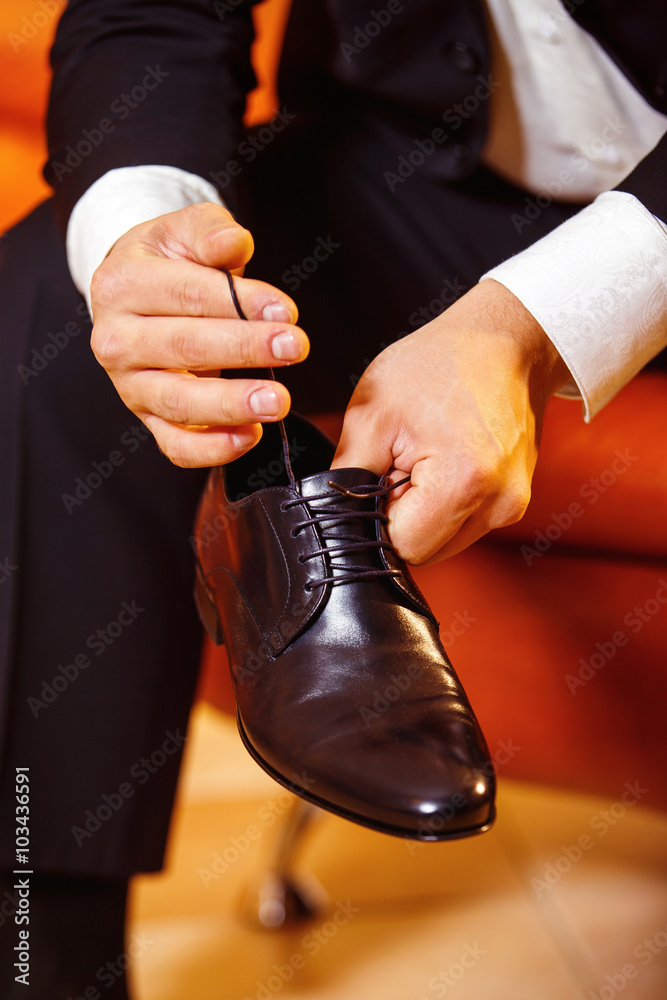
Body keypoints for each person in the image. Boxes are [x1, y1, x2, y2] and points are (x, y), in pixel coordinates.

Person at [0, 0, 665, 996]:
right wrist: (144, 248)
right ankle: (39, 946)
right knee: (55, 314)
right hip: (423, 169)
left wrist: (522, 324)